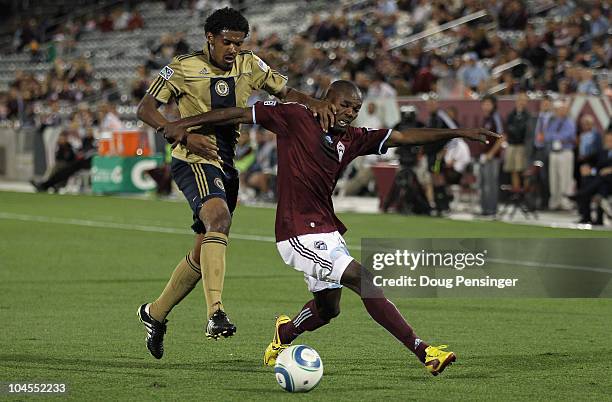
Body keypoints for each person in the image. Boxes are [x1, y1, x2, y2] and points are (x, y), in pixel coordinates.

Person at [161, 80, 499, 375]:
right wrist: (182, 124)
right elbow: (235, 114)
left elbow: (406, 136)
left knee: (329, 309)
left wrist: (460, 132)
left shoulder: (353, 138)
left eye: (356, 108)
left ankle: (286, 334)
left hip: (327, 230)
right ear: (328, 99)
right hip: (297, 233)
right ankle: (425, 351)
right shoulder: (294, 116)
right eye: (345, 104)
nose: (350, 112)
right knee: (363, 279)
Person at [135, 7, 336, 358]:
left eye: (239, 43)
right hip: (193, 160)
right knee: (219, 221)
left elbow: (285, 90)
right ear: (209, 38)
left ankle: (154, 314)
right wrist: (181, 136)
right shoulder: (182, 67)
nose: (233, 49)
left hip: (226, 167)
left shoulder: (249, 63)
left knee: (204, 249)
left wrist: (313, 101)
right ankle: (215, 313)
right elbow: (146, 109)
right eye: (227, 42)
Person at [545, 101, 576, 210]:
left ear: (566, 110)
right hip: (554, 152)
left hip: (565, 152)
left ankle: (565, 201)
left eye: (563, 109)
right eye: (559, 110)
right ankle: (555, 201)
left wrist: (557, 137)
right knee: (554, 177)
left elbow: (569, 135)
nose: (561, 112)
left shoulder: (570, 122)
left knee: (565, 177)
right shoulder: (554, 121)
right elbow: (548, 135)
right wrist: (557, 137)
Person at [478, 95, 504, 216]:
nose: (486, 106)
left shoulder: (495, 117)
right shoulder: (485, 119)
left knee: (491, 184)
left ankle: (492, 210)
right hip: (483, 156)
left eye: (488, 103)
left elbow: (501, 137)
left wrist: (491, 153)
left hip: (493, 157)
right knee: (483, 183)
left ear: (493, 105)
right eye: (484, 103)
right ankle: (484, 209)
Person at [504, 92, 531, 191]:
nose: (521, 102)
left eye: (524, 100)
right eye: (520, 100)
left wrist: (515, 130)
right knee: (513, 170)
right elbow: (507, 128)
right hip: (512, 145)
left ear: (527, 102)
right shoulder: (511, 114)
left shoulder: (528, 116)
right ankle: (516, 192)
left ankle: (526, 194)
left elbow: (524, 131)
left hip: (522, 146)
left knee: (524, 170)